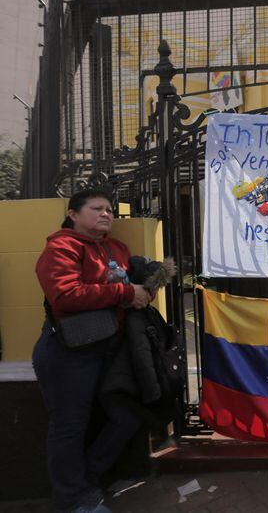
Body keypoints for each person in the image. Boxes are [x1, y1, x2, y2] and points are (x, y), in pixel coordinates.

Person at [32, 189, 152, 513]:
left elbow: (132, 294)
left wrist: (146, 287)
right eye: (97, 208)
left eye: (110, 209)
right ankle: (75, 499)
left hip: (112, 350)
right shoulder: (61, 247)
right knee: (69, 425)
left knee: (126, 413)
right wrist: (125, 293)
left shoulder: (118, 249)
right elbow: (66, 296)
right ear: (73, 214)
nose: (106, 214)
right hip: (68, 353)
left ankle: (89, 478)